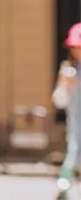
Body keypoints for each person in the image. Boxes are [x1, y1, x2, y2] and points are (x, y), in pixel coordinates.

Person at [53, 23, 81, 197]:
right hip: (76, 121)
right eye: (75, 48)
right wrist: (65, 85)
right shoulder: (68, 70)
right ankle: (64, 186)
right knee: (74, 149)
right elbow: (58, 100)